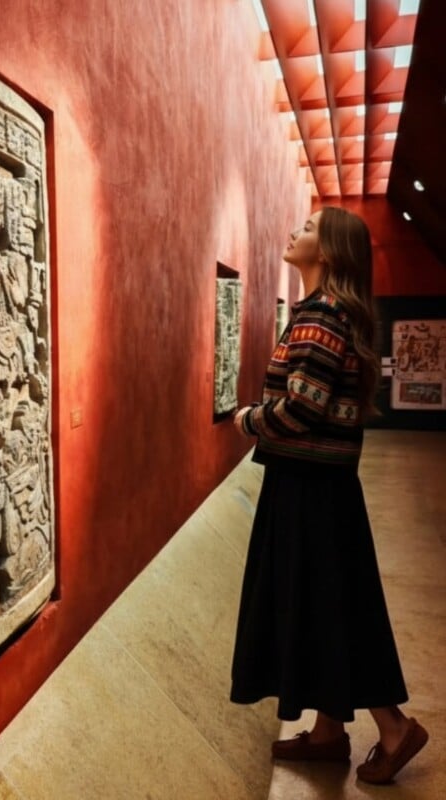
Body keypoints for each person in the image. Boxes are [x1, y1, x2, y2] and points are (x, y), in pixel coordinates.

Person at [230, 206, 428, 785]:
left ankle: (394, 729)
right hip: (319, 488)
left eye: (310, 229)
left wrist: (245, 419)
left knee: (334, 610)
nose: (295, 231)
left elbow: (300, 410)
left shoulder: (321, 316)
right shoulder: (331, 313)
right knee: (323, 607)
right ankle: (327, 731)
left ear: (331, 252)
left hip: (310, 492)